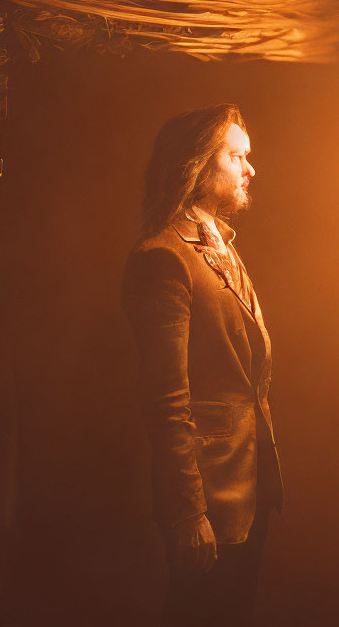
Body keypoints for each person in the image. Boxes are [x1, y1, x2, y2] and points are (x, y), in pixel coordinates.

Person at [121, 104, 283, 626]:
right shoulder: (164, 259)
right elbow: (167, 404)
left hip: (249, 490)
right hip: (209, 499)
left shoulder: (221, 246)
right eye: (236, 156)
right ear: (197, 165)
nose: (250, 169)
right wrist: (188, 512)